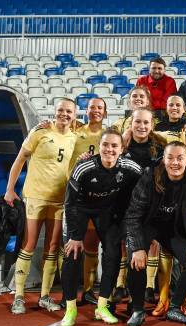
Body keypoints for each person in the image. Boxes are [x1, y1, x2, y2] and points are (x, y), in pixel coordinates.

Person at [59, 128, 142, 326]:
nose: (109, 149)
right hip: (79, 208)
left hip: (106, 210)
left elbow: (143, 188)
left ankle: (102, 306)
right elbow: (69, 203)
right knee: (73, 252)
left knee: (113, 253)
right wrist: (74, 235)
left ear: (122, 149)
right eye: (105, 145)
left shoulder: (130, 167)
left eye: (115, 146)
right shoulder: (84, 167)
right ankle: (70, 309)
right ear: (99, 146)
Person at [123, 142, 186, 326]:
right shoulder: (149, 175)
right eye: (170, 157)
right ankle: (138, 310)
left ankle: (174, 307)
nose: (175, 162)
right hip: (148, 224)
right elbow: (133, 214)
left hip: (175, 228)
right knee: (135, 260)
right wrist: (138, 247)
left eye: (180, 158)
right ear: (163, 159)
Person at [6, 99, 77, 315]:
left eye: (68, 111)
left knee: (53, 247)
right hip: (35, 197)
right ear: (54, 112)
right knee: (28, 244)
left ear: (74, 115)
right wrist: (10, 189)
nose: (64, 114)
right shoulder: (40, 132)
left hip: (58, 199)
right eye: (60, 110)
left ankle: (44, 296)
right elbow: (20, 159)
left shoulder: (75, 137)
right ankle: (18, 296)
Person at [111, 108, 167, 305]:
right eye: (138, 122)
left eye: (146, 123)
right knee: (124, 242)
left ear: (152, 125)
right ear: (130, 123)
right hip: (124, 200)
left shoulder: (161, 145)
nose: (141, 126)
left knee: (152, 242)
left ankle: (149, 286)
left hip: (152, 202)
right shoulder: (121, 145)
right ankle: (120, 284)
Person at [69, 98, 107, 306]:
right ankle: (80, 291)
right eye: (92, 107)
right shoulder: (76, 133)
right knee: (81, 243)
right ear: (86, 110)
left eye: (99, 107)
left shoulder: (110, 134)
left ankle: (96, 290)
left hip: (104, 196)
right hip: (81, 196)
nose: (95, 111)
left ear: (105, 112)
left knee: (102, 245)